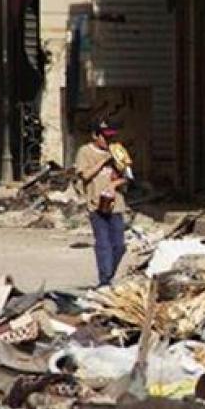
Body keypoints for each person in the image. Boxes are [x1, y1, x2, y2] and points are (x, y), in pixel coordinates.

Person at [76, 120, 128, 287]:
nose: (108, 141)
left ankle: (109, 274)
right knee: (103, 244)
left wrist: (114, 184)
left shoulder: (118, 150)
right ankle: (104, 280)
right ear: (95, 136)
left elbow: (127, 176)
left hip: (116, 204)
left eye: (111, 137)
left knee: (119, 245)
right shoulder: (85, 152)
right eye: (105, 137)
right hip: (96, 204)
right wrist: (103, 161)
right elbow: (85, 175)